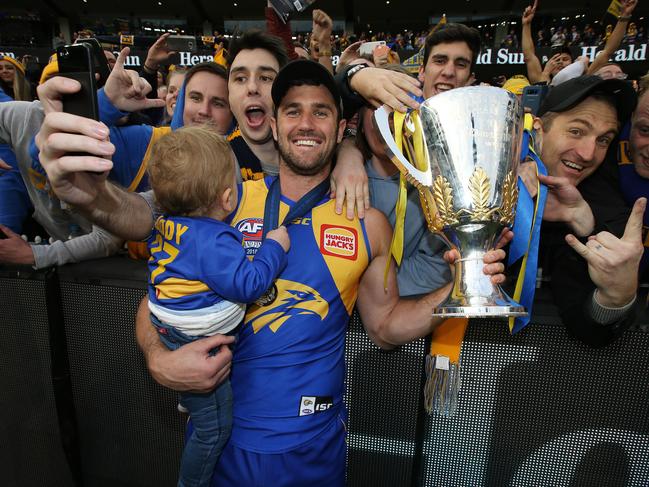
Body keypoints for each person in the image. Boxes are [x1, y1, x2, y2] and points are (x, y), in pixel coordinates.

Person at [34, 59, 508, 485]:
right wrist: (158, 357)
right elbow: (154, 284)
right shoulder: (229, 199)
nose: (306, 123)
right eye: (293, 111)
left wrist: (461, 283)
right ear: (275, 127)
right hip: (221, 443)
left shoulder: (369, 224)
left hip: (312, 450)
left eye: (321, 111)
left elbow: (384, 327)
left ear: (340, 126)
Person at [146, 126, 289, 486]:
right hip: (196, 332)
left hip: (168, 324)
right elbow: (249, 285)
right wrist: (275, 247)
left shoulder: (167, 224)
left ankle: (188, 396)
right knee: (214, 429)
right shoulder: (213, 239)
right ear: (228, 199)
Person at [520, 75, 644, 346]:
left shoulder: (603, 207)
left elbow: (588, 328)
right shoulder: (487, 169)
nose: (589, 153)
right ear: (538, 130)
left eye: (603, 140)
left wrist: (615, 298)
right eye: (576, 131)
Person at [521, 0, 638, 84]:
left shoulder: (583, 81)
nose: (561, 62)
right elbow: (529, 56)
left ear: (572, 64)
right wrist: (526, 24)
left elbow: (608, 51)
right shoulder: (539, 78)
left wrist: (624, 16)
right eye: (556, 60)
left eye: (565, 59)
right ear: (548, 63)